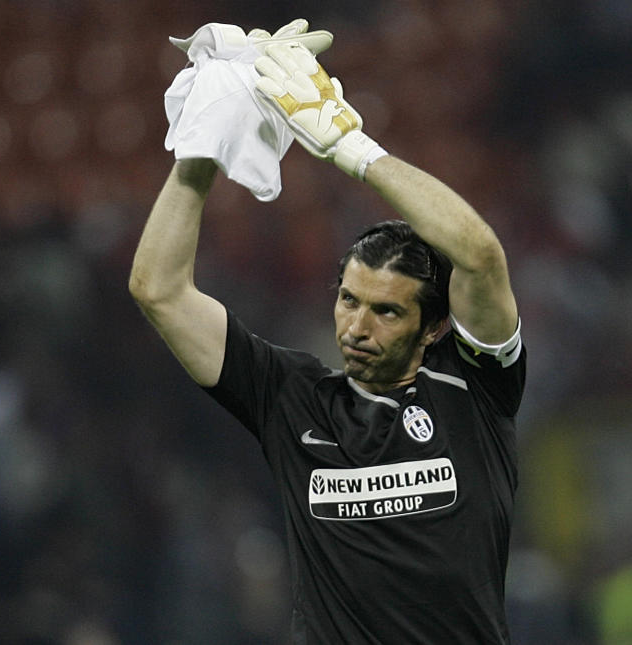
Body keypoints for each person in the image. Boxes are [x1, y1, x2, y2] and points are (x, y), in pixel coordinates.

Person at [129, 27, 525, 645]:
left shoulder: (476, 388)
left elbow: (479, 255)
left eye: (387, 313)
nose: (357, 327)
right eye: (348, 300)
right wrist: (203, 146)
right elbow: (159, 290)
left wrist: (355, 149)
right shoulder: (290, 398)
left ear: (435, 328)